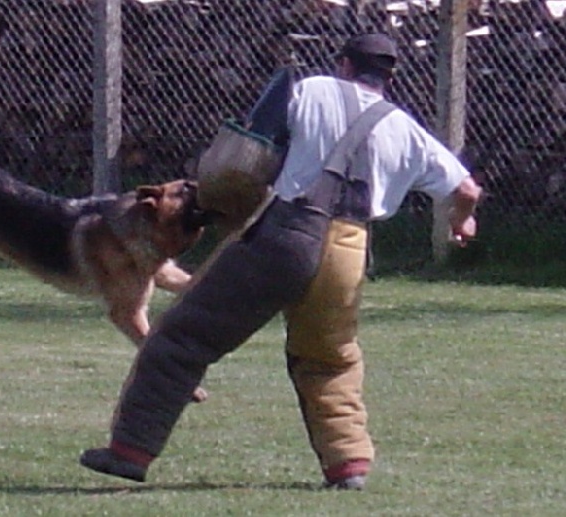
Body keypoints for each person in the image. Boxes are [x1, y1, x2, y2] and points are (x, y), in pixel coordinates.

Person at [79, 33, 482, 490]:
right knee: (330, 361)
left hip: (288, 233)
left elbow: (252, 143)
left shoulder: (310, 88)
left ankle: (129, 451)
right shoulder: (405, 127)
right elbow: (467, 190)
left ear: (344, 65)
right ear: (388, 77)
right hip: (351, 248)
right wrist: (460, 224)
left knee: (181, 339)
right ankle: (348, 466)